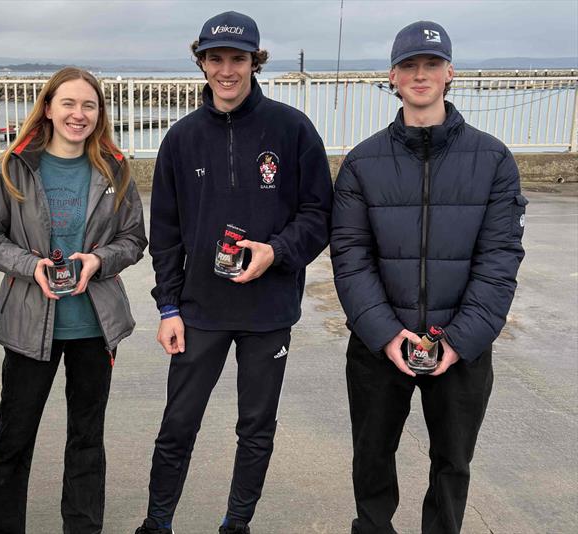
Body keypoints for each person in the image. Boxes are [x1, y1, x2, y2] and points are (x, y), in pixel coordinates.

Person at [136, 11, 333, 534]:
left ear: (255, 62)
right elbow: (167, 231)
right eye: (216, 58)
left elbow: (319, 213)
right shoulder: (180, 138)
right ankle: (157, 524)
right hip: (199, 311)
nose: (227, 70)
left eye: (238, 59)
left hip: (268, 311)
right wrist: (168, 306)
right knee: (178, 425)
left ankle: (236, 524)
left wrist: (276, 252)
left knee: (256, 429)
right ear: (201, 62)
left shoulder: (291, 129)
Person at [330, 21, 526, 534]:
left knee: (451, 465)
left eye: (432, 65)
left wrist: (460, 341)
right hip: (379, 347)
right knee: (371, 460)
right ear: (392, 77)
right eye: (410, 66)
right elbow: (350, 256)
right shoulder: (361, 162)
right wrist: (386, 334)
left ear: (449, 73)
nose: (422, 75)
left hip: (461, 346)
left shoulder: (494, 159)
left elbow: (500, 258)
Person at [0, 66, 147, 534]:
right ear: (48, 108)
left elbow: (132, 239)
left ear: (99, 112)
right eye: (68, 103)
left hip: (94, 326)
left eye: (89, 105)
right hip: (28, 325)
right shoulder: (13, 165)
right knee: (13, 436)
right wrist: (31, 266)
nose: (78, 114)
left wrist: (98, 261)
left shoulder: (116, 167)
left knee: (86, 438)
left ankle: (82, 527)